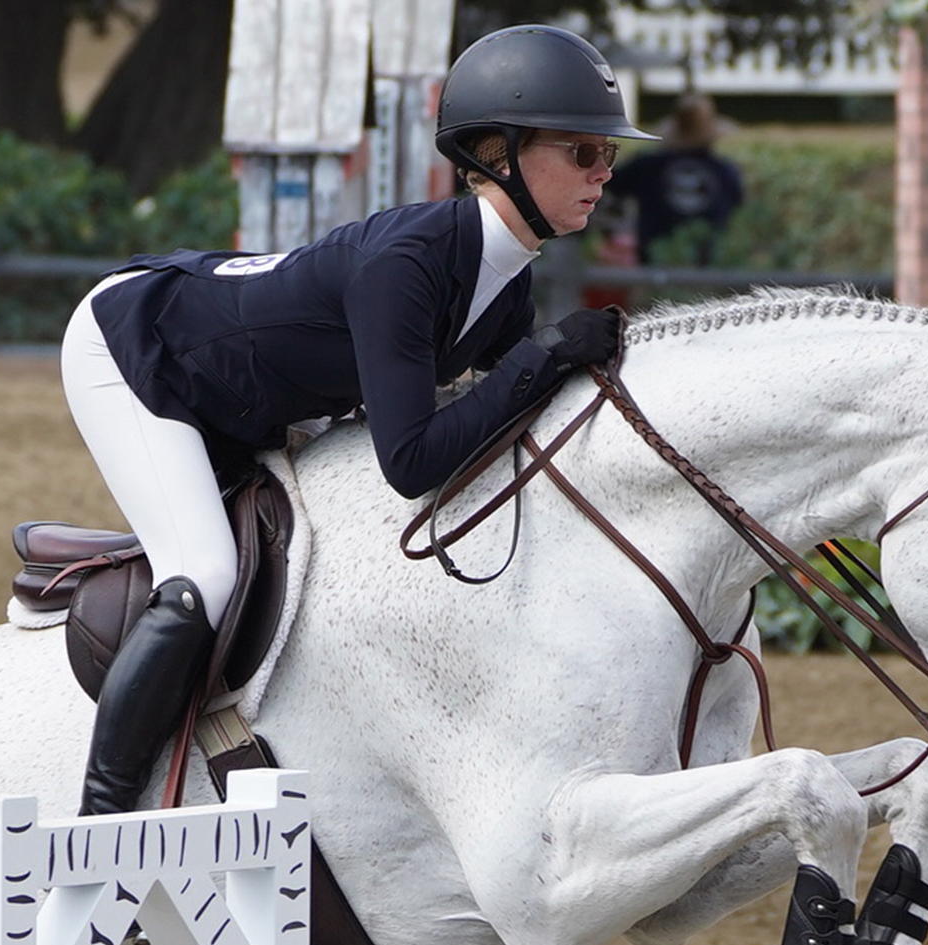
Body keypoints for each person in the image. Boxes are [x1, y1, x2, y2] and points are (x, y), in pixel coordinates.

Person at [54, 24, 656, 816]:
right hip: (138, 350)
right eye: (583, 153)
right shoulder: (406, 266)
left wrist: (555, 362)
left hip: (246, 390)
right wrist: (544, 355)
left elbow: (510, 421)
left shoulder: (505, 281)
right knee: (203, 573)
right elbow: (409, 460)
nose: (603, 174)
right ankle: (99, 819)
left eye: (609, 157)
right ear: (502, 156)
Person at [604, 93, 746, 268]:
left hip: (653, 268)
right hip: (710, 268)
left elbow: (609, 184)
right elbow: (739, 205)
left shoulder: (647, 166)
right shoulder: (724, 170)